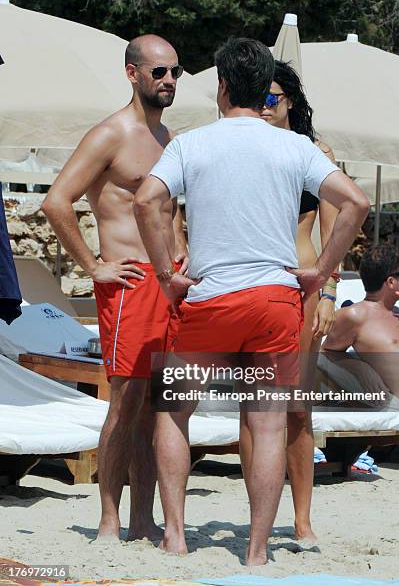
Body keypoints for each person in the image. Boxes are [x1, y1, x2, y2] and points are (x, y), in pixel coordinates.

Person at [133, 36, 369, 565]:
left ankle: (174, 536)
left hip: (210, 297)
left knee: (173, 412)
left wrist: (167, 272)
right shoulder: (294, 146)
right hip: (274, 299)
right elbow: (355, 202)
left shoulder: (192, 144)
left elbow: (148, 199)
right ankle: (257, 551)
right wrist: (322, 272)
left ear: (220, 86)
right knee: (266, 423)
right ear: (265, 90)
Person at [41, 34, 188, 542]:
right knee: (125, 402)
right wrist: (93, 267)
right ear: (132, 74)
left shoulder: (170, 137)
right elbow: (57, 201)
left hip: (170, 284)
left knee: (158, 405)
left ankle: (144, 518)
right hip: (128, 282)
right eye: (159, 72)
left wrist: (184, 253)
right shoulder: (110, 133)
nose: (169, 80)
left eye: (175, 72)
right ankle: (108, 517)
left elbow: (169, 211)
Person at [251, 60, 340, 542]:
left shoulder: (312, 152)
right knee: (257, 405)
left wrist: (329, 290)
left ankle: (302, 519)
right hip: (252, 282)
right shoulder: (242, 146)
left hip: (303, 284)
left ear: (291, 102)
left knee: (297, 407)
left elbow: (335, 226)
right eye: (257, 98)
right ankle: (258, 517)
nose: (263, 108)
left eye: (272, 99)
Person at [322, 244, 399, 396]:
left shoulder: (398, 314)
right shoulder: (355, 316)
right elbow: (324, 354)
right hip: (395, 409)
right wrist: (358, 368)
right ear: (391, 282)